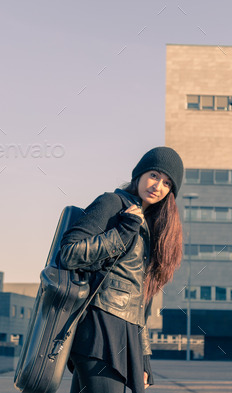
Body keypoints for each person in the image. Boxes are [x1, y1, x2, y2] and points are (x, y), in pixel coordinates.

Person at [58, 146, 184, 393]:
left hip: (124, 334)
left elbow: (141, 300)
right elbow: (69, 253)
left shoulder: (150, 227)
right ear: (139, 174)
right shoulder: (113, 204)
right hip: (97, 329)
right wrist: (122, 232)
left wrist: (144, 355)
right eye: (154, 175)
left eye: (167, 183)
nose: (158, 185)